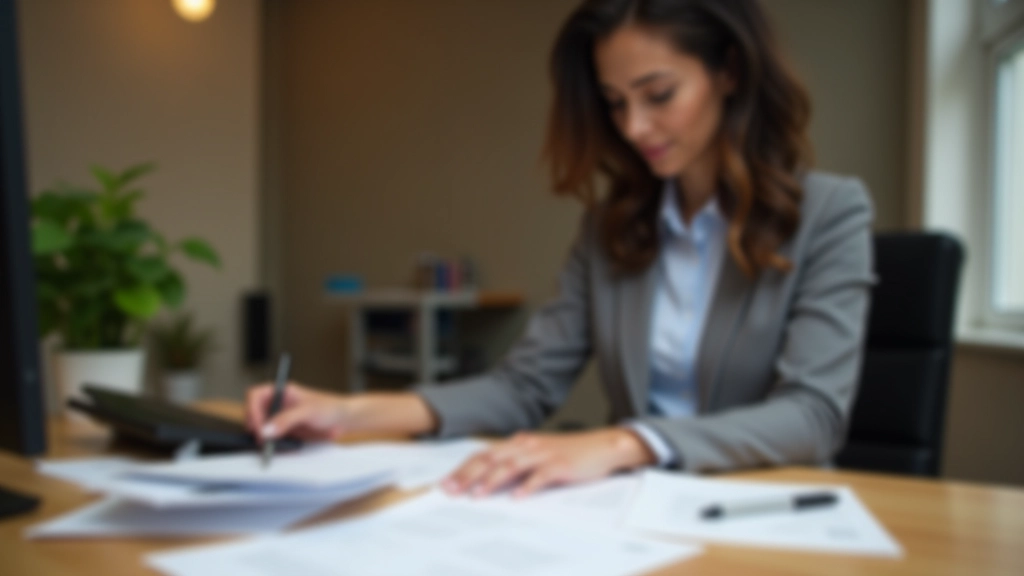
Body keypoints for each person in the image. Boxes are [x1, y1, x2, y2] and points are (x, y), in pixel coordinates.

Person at [247, 0, 873, 499]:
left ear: (729, 71)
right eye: (615, 103)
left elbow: (813, 416)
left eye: (659, 96)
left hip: (769, 511)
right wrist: (348, 414)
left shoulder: (830, 214)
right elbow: (523, 388)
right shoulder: (612, 229)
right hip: (634, 510)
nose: (634, 128)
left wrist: (623, 443)